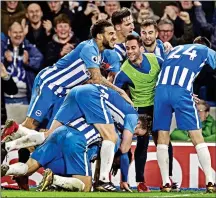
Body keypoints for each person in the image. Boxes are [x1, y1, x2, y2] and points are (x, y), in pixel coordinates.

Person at [2, 84, 145, 192]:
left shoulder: (102, 116)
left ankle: (8, 152)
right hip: (76, 140)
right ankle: (99, 181)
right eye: (137, 133)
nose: (134, 135)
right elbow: (123, 149)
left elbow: (114, 91)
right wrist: (121, 179)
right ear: (138, 123)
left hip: (63, 124)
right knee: (86, 185)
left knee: (30, 164)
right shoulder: (123, 124)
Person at [113, 34, 174, 192]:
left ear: (141, 48)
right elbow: (115, 93)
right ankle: (141, 181)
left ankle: (169, 179)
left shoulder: (156, 60)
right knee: (142, 144)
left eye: (133, 48)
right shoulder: (124, 71)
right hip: (140, 110)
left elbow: (171, 73)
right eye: (127, 48)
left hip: (158, 107)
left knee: (165, 141)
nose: (130, 51)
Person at [153, 43, 216, 193]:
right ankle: (210, 181)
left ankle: (166, 183)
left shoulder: (176, 48)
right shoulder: (205, 50)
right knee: (196, 136)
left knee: (162, 135)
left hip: (160, 90)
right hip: (181, 89)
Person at [1, 21, 43, 124]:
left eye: (20, 32)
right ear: (9, 33)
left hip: (25, 99)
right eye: (15, 32)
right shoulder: (3, 47)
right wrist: (5, 60)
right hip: (5, 99)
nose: (18, 35)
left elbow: (40, 59)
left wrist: (28, 61)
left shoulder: (28, 47)